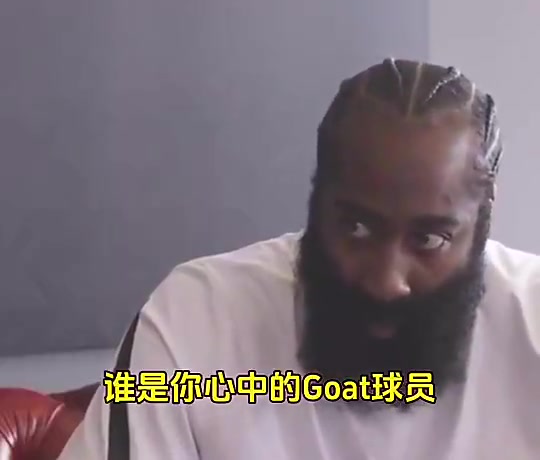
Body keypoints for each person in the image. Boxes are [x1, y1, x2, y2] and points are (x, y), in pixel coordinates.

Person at [58, 59, 540, 460]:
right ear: (316, 202)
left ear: (484, 219)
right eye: (357, 227)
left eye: (429, 239)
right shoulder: (192, 319)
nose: (386, 280)